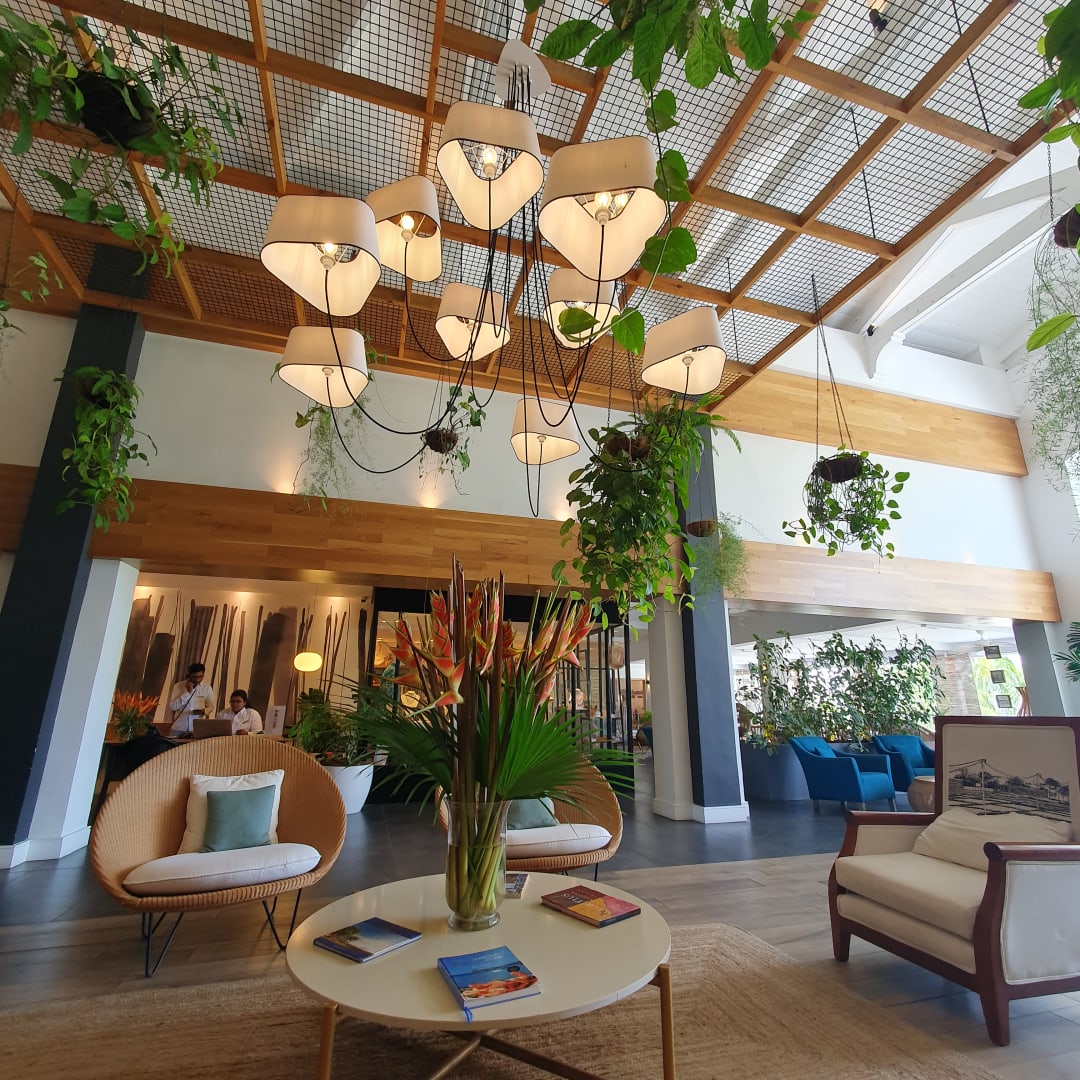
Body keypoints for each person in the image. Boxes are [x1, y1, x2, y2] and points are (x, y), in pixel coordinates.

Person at [168, 663, 216, 736]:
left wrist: (204, 711)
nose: (197, 679)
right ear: (189, 675)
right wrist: (188, 692)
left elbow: (211, 706)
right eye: (194, 677)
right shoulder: (178, 686)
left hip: (197, 726)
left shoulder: (207, 688)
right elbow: (173, 707)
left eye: (200, 677)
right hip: (179, 726)